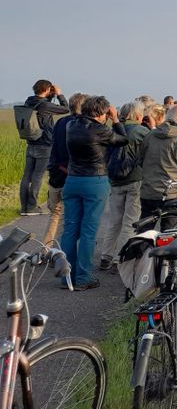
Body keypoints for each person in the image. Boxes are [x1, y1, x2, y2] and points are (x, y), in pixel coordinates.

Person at [62, 95, 128, 290]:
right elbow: (123, 140)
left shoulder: (70, 126)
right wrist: (116, 119)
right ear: (102, 113)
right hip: (94, 180)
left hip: (72, 179)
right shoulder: (101, 130)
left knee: (70, 230)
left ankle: (67, 277)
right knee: (88, 232)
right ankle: (83, 278)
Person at [97, 101, 150, 271]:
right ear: (138, 115)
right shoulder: (142, 132)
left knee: (114, 221)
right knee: (130, 221)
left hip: (115, 180)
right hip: (135, 179)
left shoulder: (111, 130)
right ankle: (120, 258)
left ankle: (106, 256)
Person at [138, 104, 177, 230]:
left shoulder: (150, 136)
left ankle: (141, 249)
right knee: (169, 235)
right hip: (172, 194)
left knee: (144, 231)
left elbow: (140, 161)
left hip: (148, 192)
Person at [42, 92, 87, 246]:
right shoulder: (83, 125)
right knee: (71, 218)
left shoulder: (60, 122)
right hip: (73, 176)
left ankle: (45, 249)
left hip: (56, 174)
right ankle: (63, 251)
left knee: (54, 215)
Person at [20, 79, 70, 215]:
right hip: (44, 143)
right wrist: (59, 94)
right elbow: (66, 108)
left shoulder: (29, 101)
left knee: (27, 175)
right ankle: (32, 207)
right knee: (37, 176)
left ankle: (24, 206)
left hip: (31, 142)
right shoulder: (45, 105)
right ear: (47, 89)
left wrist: (50, 95)